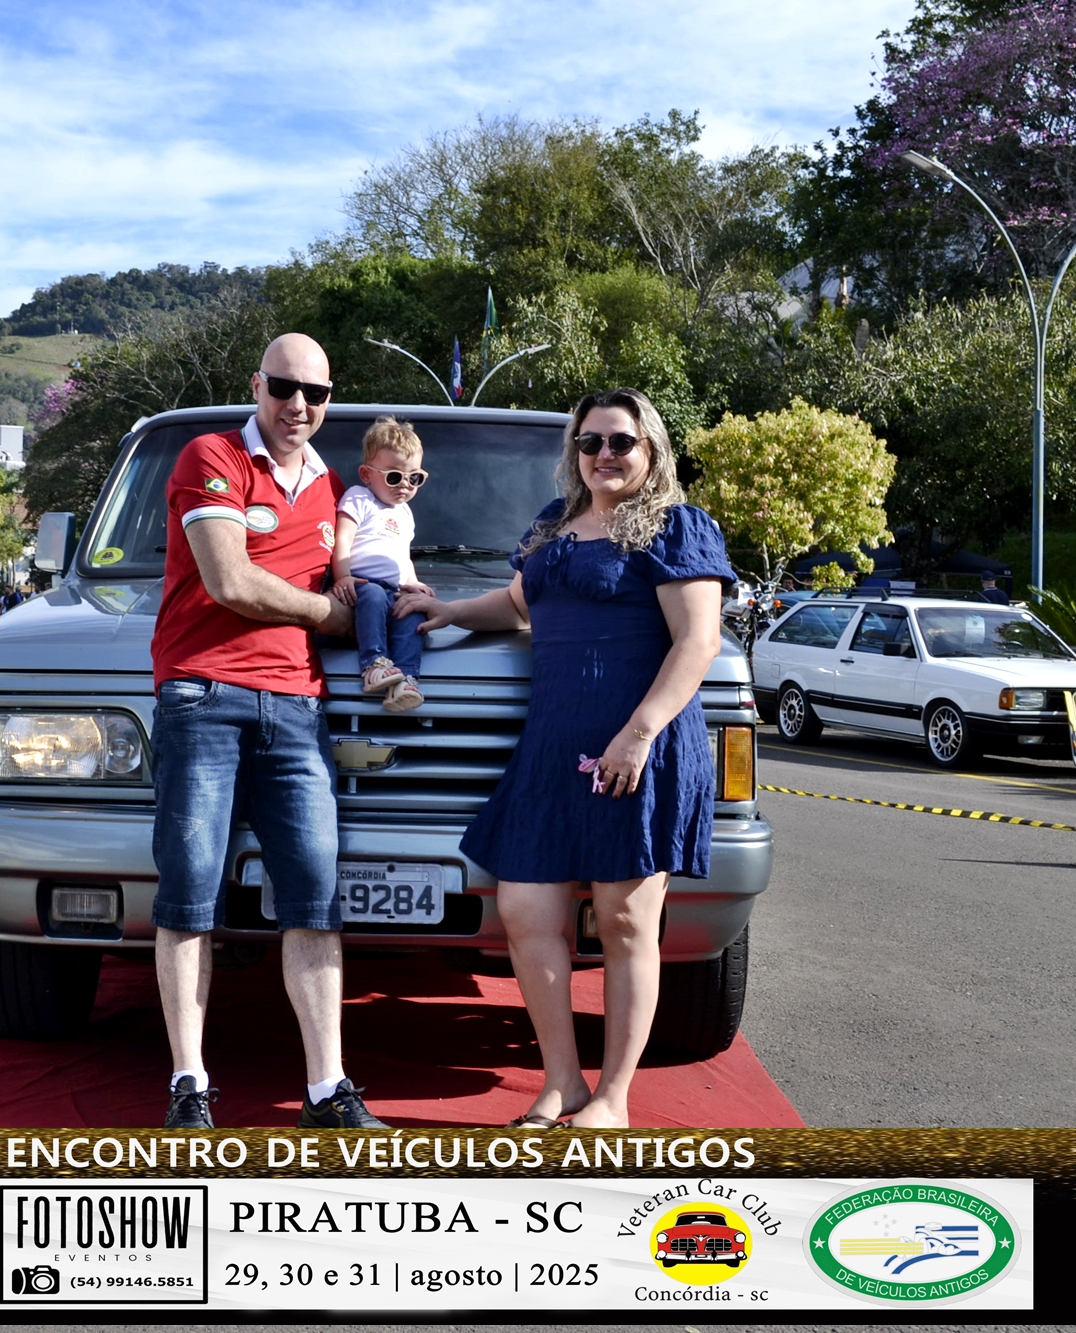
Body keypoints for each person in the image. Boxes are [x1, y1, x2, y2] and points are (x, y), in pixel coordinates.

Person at [398, 387, 732, 1129]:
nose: (604, 454)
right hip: (552, 748)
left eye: (621, 441)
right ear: (574, 451)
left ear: (651, 449)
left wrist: (638, 733)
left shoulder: (676, 526)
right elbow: (518, 604)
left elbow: (699, 641)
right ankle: (562, 1083)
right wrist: (447, 611)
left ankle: (612, 1097)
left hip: (636, 749)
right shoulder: (553, 525)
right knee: (524, 909)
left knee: (624, 921)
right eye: (590, 442)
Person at [150, 331, 384, 1132]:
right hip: (201, 693)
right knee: (189, 894)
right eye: (284, 387)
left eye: (315, 393)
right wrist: (328, 614)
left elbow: (372, 566)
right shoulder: (210, 455)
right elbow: (229, 578)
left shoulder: (334, 489)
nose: (298, 405)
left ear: (329, 401)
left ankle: (327, 1087)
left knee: (315, 898)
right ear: (257, 385)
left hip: (298, 707)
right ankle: (189, 1085)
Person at [330, 417, 434, 712]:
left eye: (415, 478)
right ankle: (374, 664)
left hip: (395, 588)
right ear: (366, 474)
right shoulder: (359, 498)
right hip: (362, 584)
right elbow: (342, 539)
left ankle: (406, 679)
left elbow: (403, 554)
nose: (405, 485)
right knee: (374, 597)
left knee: (412, 614)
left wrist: (413, 583)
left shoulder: (405, 513)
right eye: (394, 476)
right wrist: (343, 577)